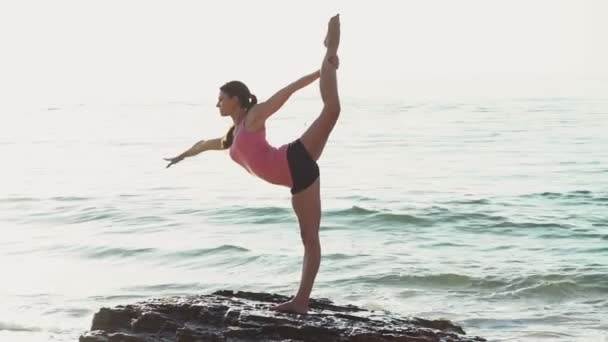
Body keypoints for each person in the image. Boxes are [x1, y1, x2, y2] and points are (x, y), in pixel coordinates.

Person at [164, 14, 341, 314]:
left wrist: (318, 72)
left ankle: (330, 49)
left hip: (294, 158)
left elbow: (286, 92)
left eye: (221, 99)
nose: (217, 104)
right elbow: (204, 145)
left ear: (236, 99)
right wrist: (181, 156)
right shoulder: (232, 136)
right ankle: (301, 301)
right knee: (308, 239)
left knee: (332, 109)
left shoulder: (253, 117)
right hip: (297, 178)